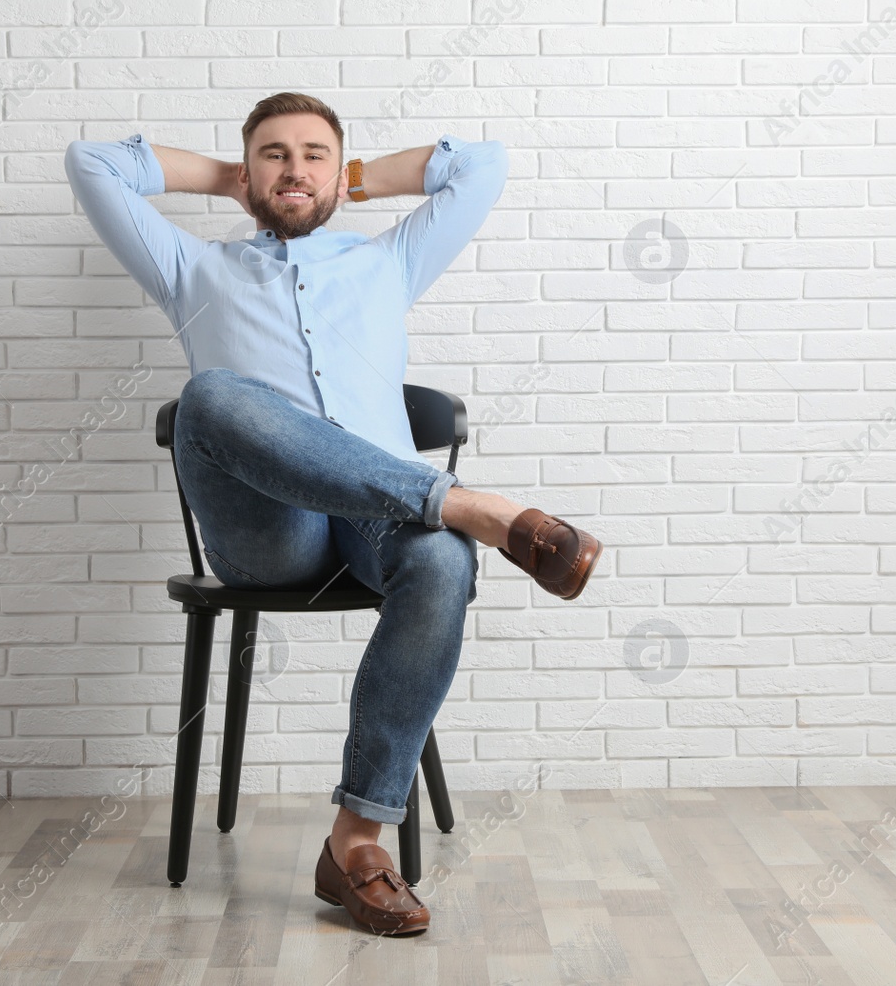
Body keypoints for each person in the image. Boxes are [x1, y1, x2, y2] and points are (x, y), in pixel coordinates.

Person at [64, 92, 602, 936]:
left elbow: (481, 165)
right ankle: (469, 507)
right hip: (269, 531)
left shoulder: (385, 262)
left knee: (441, 560)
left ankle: (355, 844)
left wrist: (348, 178)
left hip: (371, 530)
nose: (295, 168)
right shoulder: (193, 269)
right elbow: (90, 161)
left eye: (314, 154)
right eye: (274, 154)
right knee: (208, 396)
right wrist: (229, 181)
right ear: (249, 171)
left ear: (338, 171)